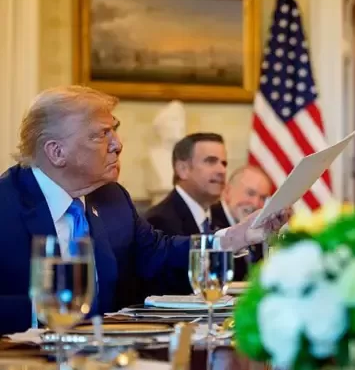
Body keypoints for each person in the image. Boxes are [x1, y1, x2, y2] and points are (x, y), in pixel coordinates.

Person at [0, 86, 291, 334]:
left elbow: (161, 256)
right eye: (102, 134)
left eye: (114, 131)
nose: (118, 145)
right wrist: (49, 310)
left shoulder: (112, 198)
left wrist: (239, 236)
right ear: (56, 152)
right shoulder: (6, 204)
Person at [144, 132, 229, 295]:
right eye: (211, 161)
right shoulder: (158, 221)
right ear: (182, 169)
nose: (222, 170)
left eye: (224, 163)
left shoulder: (220, 220)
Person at [210, 165, 273, 281]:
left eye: (263, 198)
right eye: (250, 193)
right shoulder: (209, 221)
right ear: (227, 192)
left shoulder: (259, 227)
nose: (256, 204)